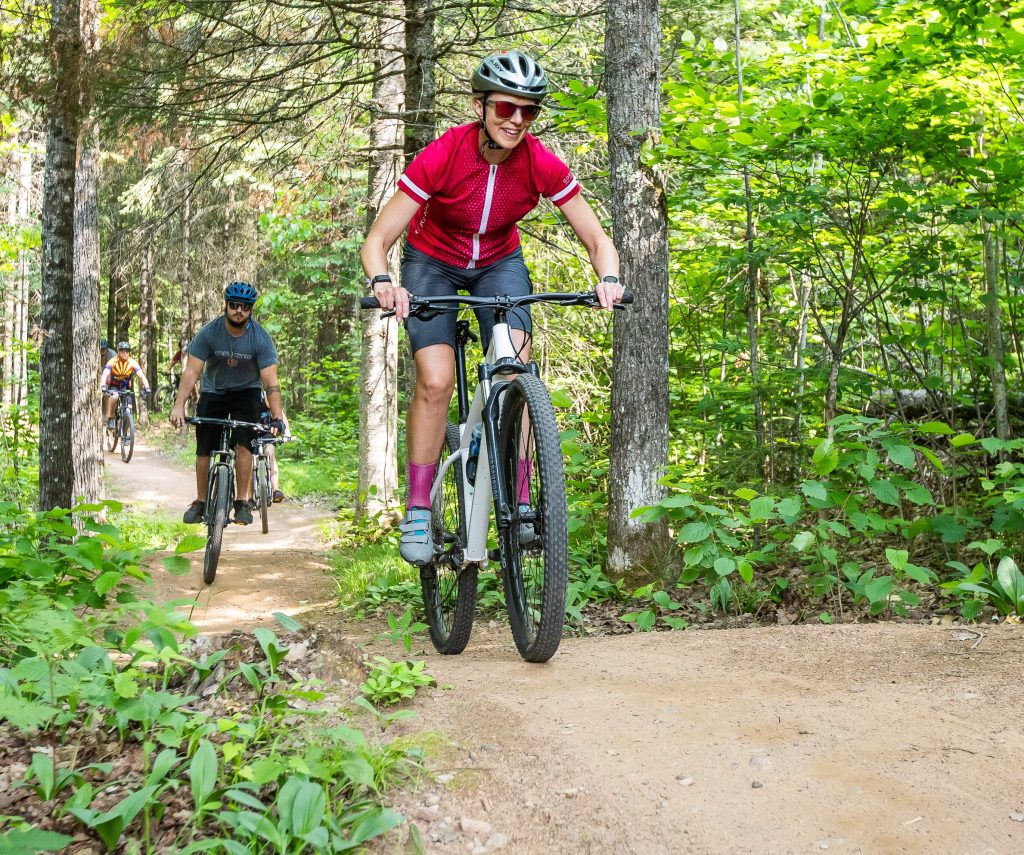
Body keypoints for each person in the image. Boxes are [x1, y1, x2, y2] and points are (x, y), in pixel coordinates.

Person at [359, 49, 623, 566]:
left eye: (529, 111)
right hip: (431, 261)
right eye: (506, 108)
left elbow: (596, 238)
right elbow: (377, 240)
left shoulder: (539, 162)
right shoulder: (445, 153)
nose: (517, 120)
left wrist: (608, 278)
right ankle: (417, 505)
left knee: (515, 371)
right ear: (482, 105)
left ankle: (521, 497)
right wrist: (385, 282)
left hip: (500, 263)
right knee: (435, 381)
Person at [169, 282, 285, 526]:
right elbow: (191, 372)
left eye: (244, 307)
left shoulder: (260, 338)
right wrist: (179, 405)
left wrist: (276, 417)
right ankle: (200, 502)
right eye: (234, 305)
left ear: (251, 310)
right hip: (214, 392)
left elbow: (271, 383)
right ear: (226, 306)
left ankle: (242, 502)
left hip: (247, 393)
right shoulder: (209, 333)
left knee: (245, 445)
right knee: (204, 447)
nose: (238, 311)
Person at [100, 342, 151, 431]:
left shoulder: (132, 362)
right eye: (122, 351)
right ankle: (111, 418)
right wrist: (103, 386)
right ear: (118, 352)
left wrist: (147, 387)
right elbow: (105, 374)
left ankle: (126, 434)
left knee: (128, 410)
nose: (124, 353)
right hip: (114, 386)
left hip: (125, 387)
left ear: (129, 352)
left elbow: (141, 375)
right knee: (114, 396)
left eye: (127, 351)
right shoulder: (113, 361)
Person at [250, 390, 287, 506]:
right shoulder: (241, 396)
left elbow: (280, 414)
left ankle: (276, 490)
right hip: (250, 435)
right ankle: (249, 497)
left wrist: (287, 433)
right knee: (250, 460)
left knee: (270, 453)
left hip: (267, 432)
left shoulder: (265, 395)